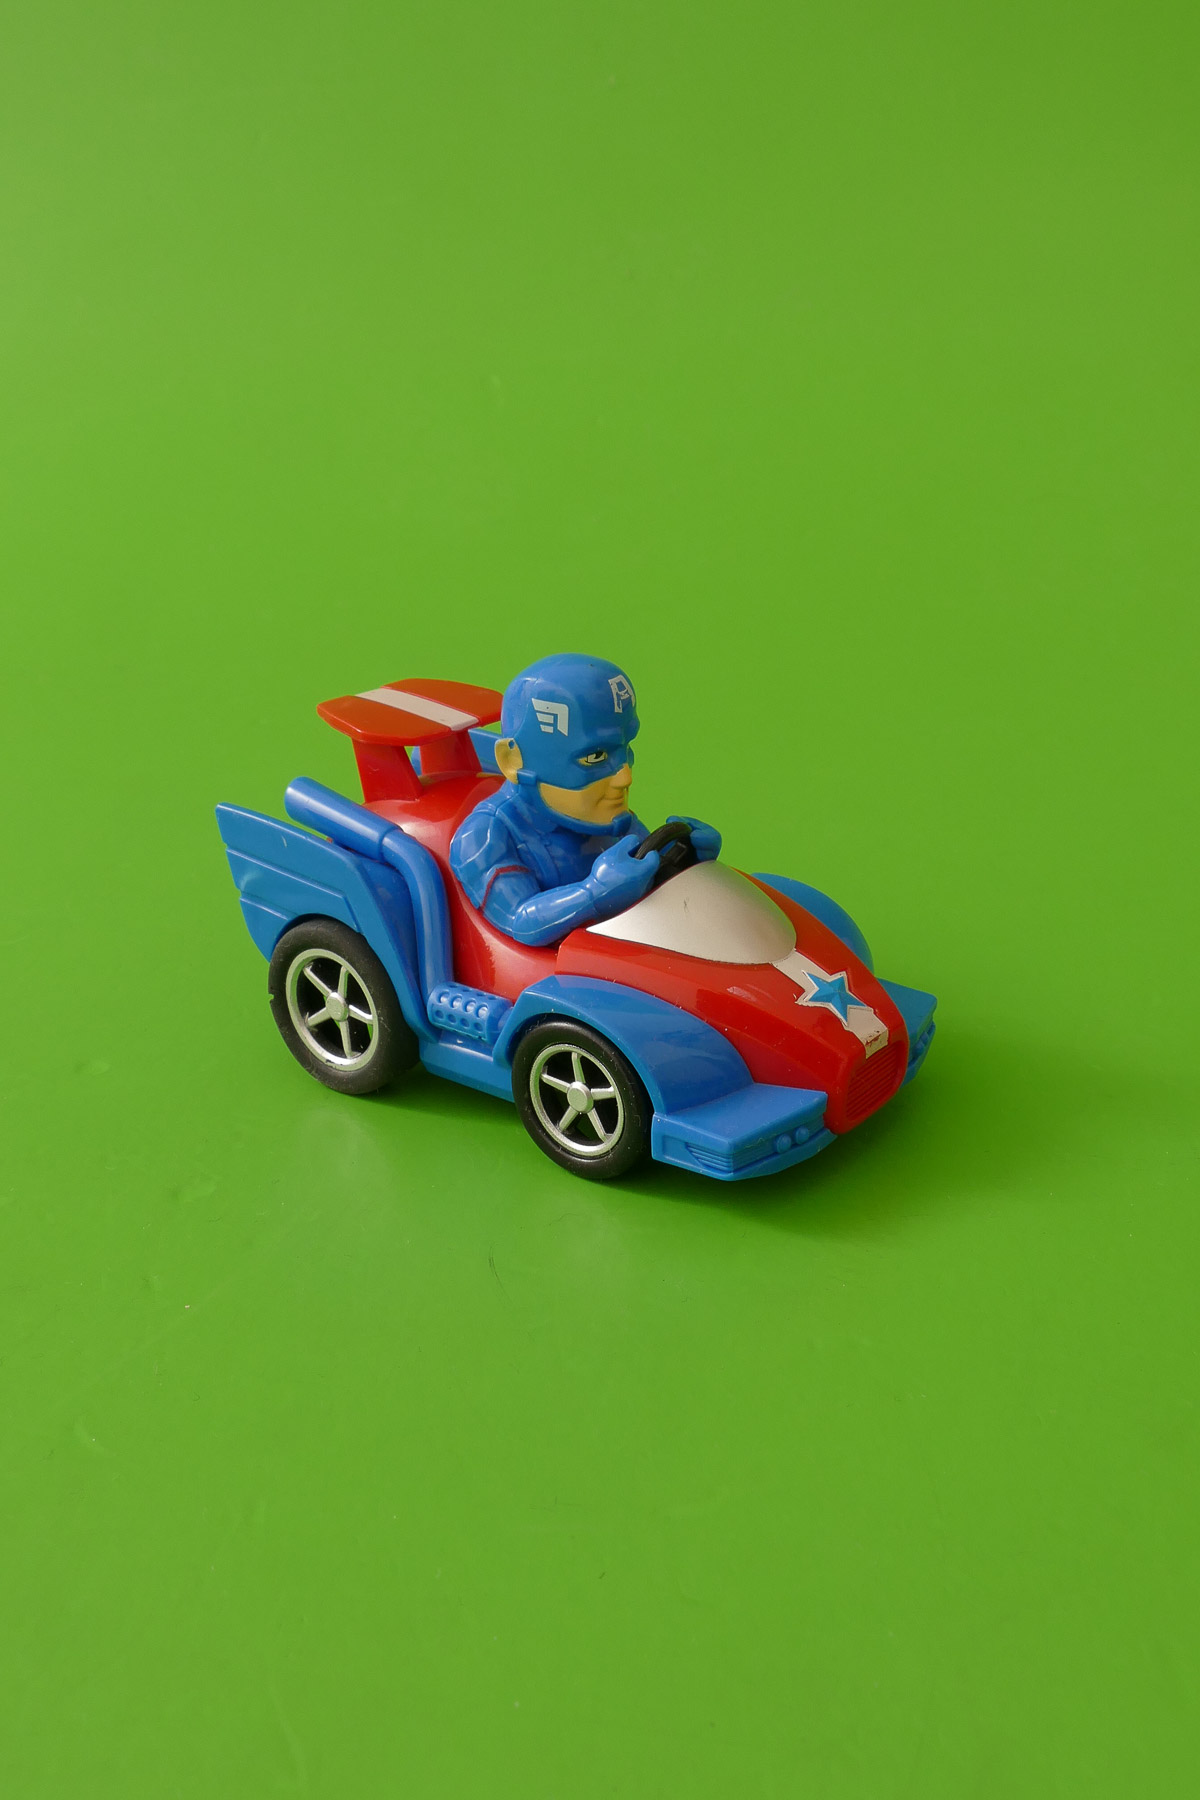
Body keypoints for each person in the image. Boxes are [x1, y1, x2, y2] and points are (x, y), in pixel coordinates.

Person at [450, 653, 721, 947]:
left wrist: (687, 861)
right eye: (595, 757)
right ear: (513, 761)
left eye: (625, 749)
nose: (625, 777)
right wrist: (592, 893)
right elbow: (520, 921)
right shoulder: (484, 837)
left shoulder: (606, 818)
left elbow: (646, 866)